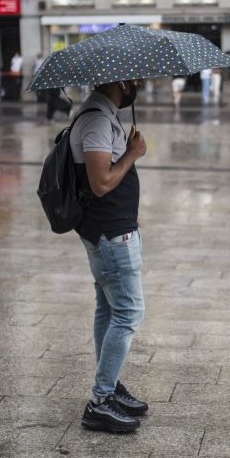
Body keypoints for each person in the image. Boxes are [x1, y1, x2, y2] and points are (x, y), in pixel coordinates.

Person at [69, 79, 149, 433]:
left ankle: (109, 384)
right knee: (130, 311)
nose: (140, 85)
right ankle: (100, 401)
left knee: (109, 309)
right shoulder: (97, 120)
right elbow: (100, 182)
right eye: (136, 81)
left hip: (114, 228)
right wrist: (133, 154)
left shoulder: (103, 114)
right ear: (121, 81)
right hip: (110, 234)